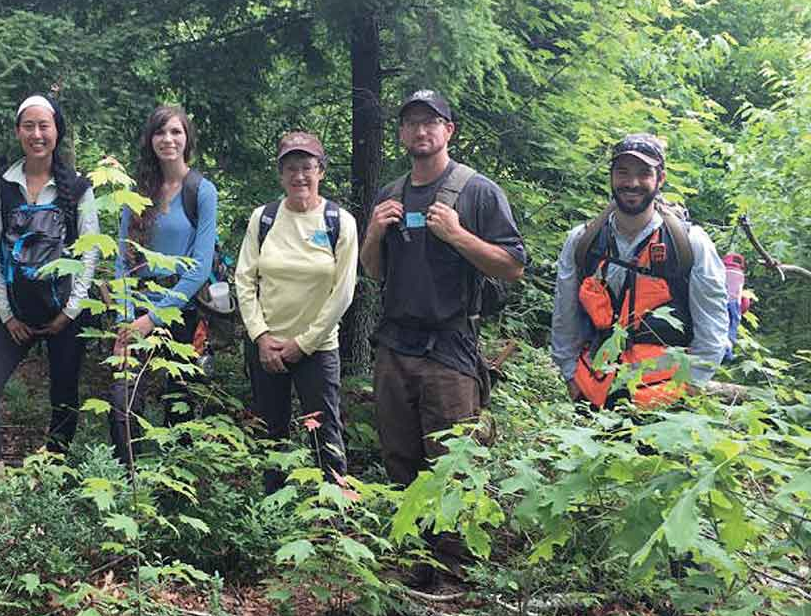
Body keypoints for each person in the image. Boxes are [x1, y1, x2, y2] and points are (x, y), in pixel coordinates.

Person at [360, 89, 525, 484]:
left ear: (448, 130)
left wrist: (457, 235)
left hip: (451, 350)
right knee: (399, 461)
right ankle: (407, 544)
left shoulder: (478, 191)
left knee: (452, 469)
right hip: (395, 347)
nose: (421, 130)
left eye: (430, 121)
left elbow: (514, 266)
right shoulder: (390, 194)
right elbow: (373, 272)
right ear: (401, 135)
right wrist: (373, 234)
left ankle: (450, 547)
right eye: (412, 123)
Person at [550, 133, 729, 409]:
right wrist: (569, 374)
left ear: (661, 178)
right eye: (622, 172)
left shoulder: (690, 244)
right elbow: (565, 315)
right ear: (611, 176)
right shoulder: (583, 241)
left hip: (664, 403)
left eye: (644, 173)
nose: (632, 183)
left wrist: (692, 385)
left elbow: (712, 326)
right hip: (593, 394)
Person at [0, 95, 98, 464]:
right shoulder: (1, 185)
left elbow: (89, 252)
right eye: (29, 126)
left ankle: (54, 472)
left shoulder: (78, 188)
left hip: (65, 316)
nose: (37, 134)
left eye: (45, 126)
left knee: (64, 399)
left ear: (57, 131)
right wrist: (7, 315)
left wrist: (70, 312)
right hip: (15, 314)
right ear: (18, 131)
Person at [235, 132, 358, 493]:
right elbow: (244, 279)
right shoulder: (264, 218)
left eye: (307, 167)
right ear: (280, 173)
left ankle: (333, 513)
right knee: (270, 431)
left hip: (317, 349)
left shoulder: (339, 221)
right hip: (266, 348)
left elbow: (343, 292)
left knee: (325, 432)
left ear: (320, 170)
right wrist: (260, 336)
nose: (299, 176)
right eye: (291, 167)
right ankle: (274, 509)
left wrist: (303, 344)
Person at [110, 105, 218, 463]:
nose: (168, 140)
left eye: (175, 132)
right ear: (149, 139)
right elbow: (122, 260)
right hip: (135, 309)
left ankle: (173, 498)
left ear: (187, 139)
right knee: (123, 403)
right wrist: (126, 322)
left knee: (180, 406)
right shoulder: (137, 192)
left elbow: (199, 267)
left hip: (181, 311)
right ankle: (129, 484)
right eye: (160, 132)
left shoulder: (201, 191)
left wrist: (153, 319)